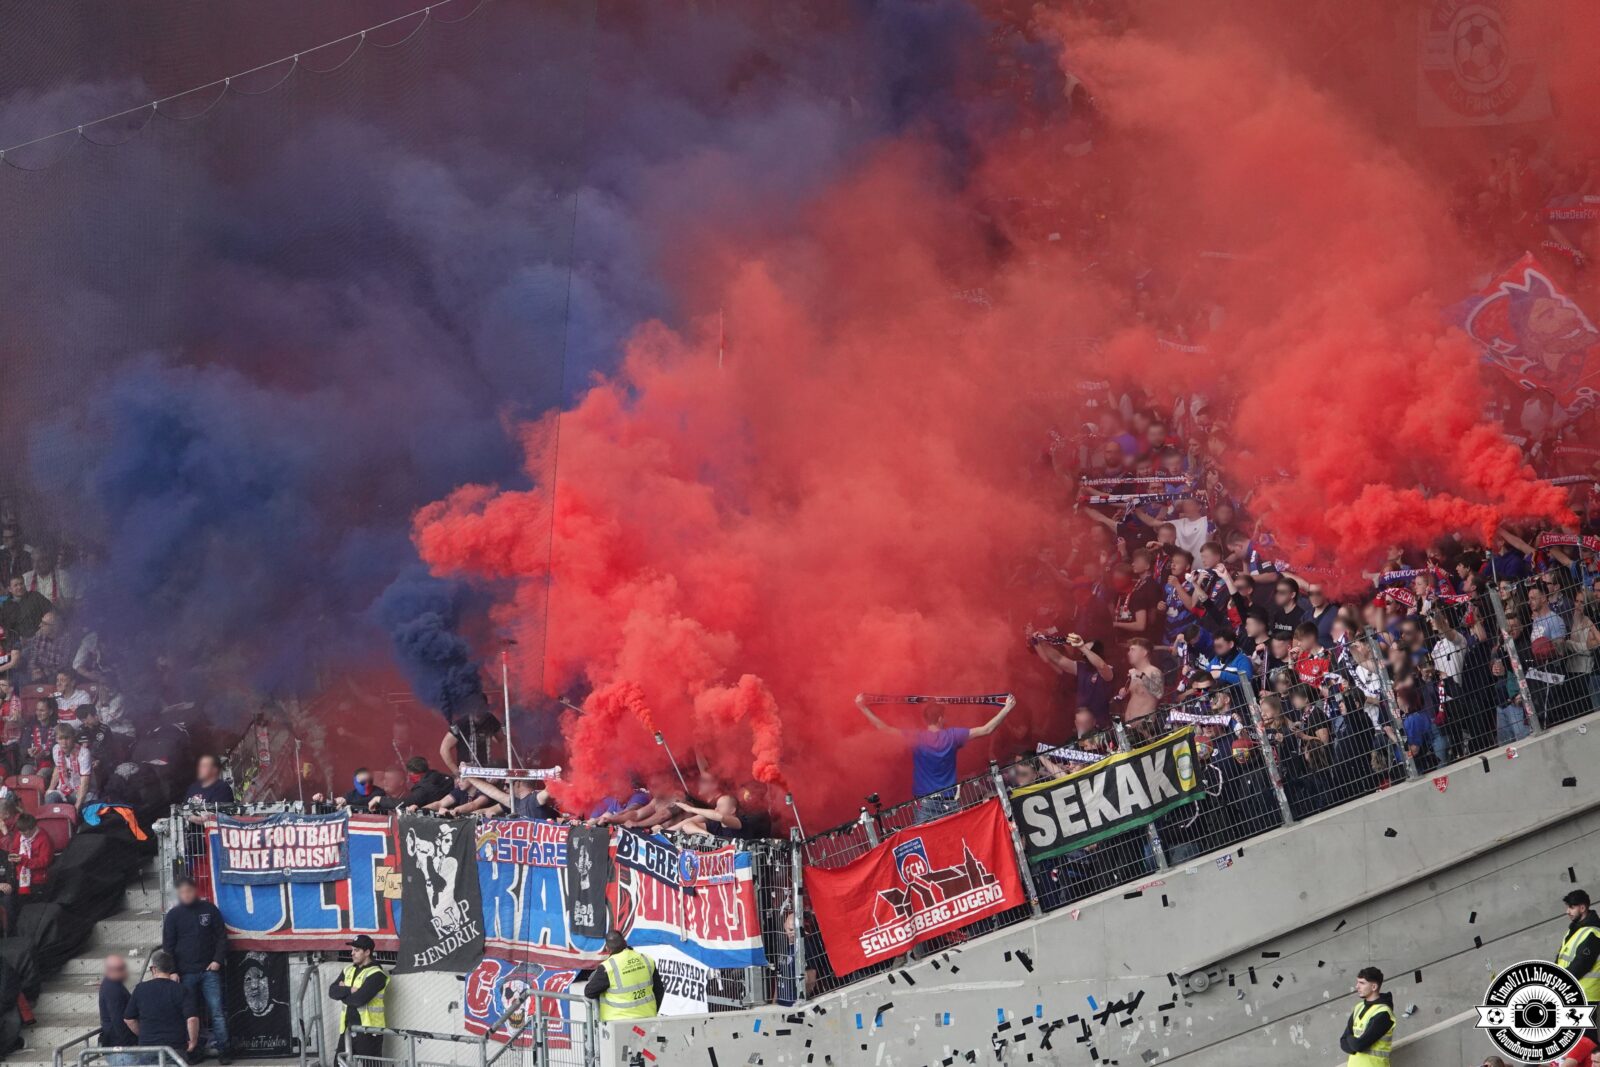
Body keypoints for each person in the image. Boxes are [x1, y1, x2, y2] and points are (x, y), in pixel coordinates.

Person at [854, 693, 1017, 822]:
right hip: (949, 802)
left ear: (925, 720)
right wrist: (1007, 708)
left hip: (925, 804)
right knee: (958, 844)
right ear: (940, 719)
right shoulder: (953, 736)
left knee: (924, 846)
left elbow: (884, 729)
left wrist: (863, 708)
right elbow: (987, 729)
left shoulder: (917, 738)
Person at [161, 876, 230, 1062]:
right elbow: (168, 946)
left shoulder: (209, 910)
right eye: (182, 892)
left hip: (209, 971)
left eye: (189, 891)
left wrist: (217, 961)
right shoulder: (173, 916)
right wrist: (173, 971)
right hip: (185, 973)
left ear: (196, 890)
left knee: (216, 1011)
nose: (186, 895)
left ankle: (224, 1050)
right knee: (190, 1014)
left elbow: (221, 937)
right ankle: (192, 1051)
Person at [123, 950, 200, 1064]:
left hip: (148, 1048)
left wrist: (144, 1034)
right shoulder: (181, 990)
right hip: (175, 1049)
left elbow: (128, 1019)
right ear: (170, 968)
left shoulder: (140, 989)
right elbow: (192, 1019)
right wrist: (193, 1041)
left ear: (153, 968)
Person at [329, 934, 387, 1065]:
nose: (352, 953)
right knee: (338, 1063)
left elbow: (358, 1000)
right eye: (352, 950)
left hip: (369, 1031)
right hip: (347, 1029)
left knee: (370, 1065)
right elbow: (332, 991)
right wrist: (350, 990)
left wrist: (342, 994)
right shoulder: (348, 969)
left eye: (356, 950)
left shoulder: (377, 974)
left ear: (367, 952)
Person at [583, 930, 663, 1021]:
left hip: (618, 1024)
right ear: (625, 942)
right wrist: (653, 1011)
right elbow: (659, 989)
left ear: (607, 948)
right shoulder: (646, 960)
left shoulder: (608, 967)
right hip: (647, 1019)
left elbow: (589, 992)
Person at [1337, 967, 1394, 1066]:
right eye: (1357, 982)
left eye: (1362, 983)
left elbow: (1359, 1045)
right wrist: (1354, 1042)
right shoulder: (1359, 1008)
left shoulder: (1383, 1013)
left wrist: (1350, 1037)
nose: (1357, 986)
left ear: (1374, 987)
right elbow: (1343, 1042)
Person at [1558, 889, 1600, 1005]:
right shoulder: (1574, 930)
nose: (1567, 911)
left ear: (1582, 908)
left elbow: (1581, 965)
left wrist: (1558, 983)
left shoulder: (1593, 932)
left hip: (1585, 995)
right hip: (1573, 993)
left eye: (1571, 907)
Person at [99, 954, 138, 1063]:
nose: (125, 971)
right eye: (121, 969)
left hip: (120, 1047)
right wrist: (130, 1043)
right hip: (121, 1050)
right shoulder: (113, 989)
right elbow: (118, 1019)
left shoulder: (114, 985)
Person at [7, 812, 54, 900]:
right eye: (22, 833)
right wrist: (13, 856)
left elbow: (44, 862)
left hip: (37, 879)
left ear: (33, 829)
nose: (24, 835)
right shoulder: (20, 835)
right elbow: (14, 849)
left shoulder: (44, 839)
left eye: (26, 833)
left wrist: (23, 860)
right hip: (20, 875)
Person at [47, 722, 93, 808]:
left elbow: (85, 782)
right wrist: (50, 789)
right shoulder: (56, 749)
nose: (64, 743)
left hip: (80, 791)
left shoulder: (84, 753)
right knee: (50, 798)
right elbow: (57, 769)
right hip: (63, 789)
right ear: (56, 739)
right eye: (60, 739)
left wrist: (76, 807)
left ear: (73, 738)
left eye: (67, 738)